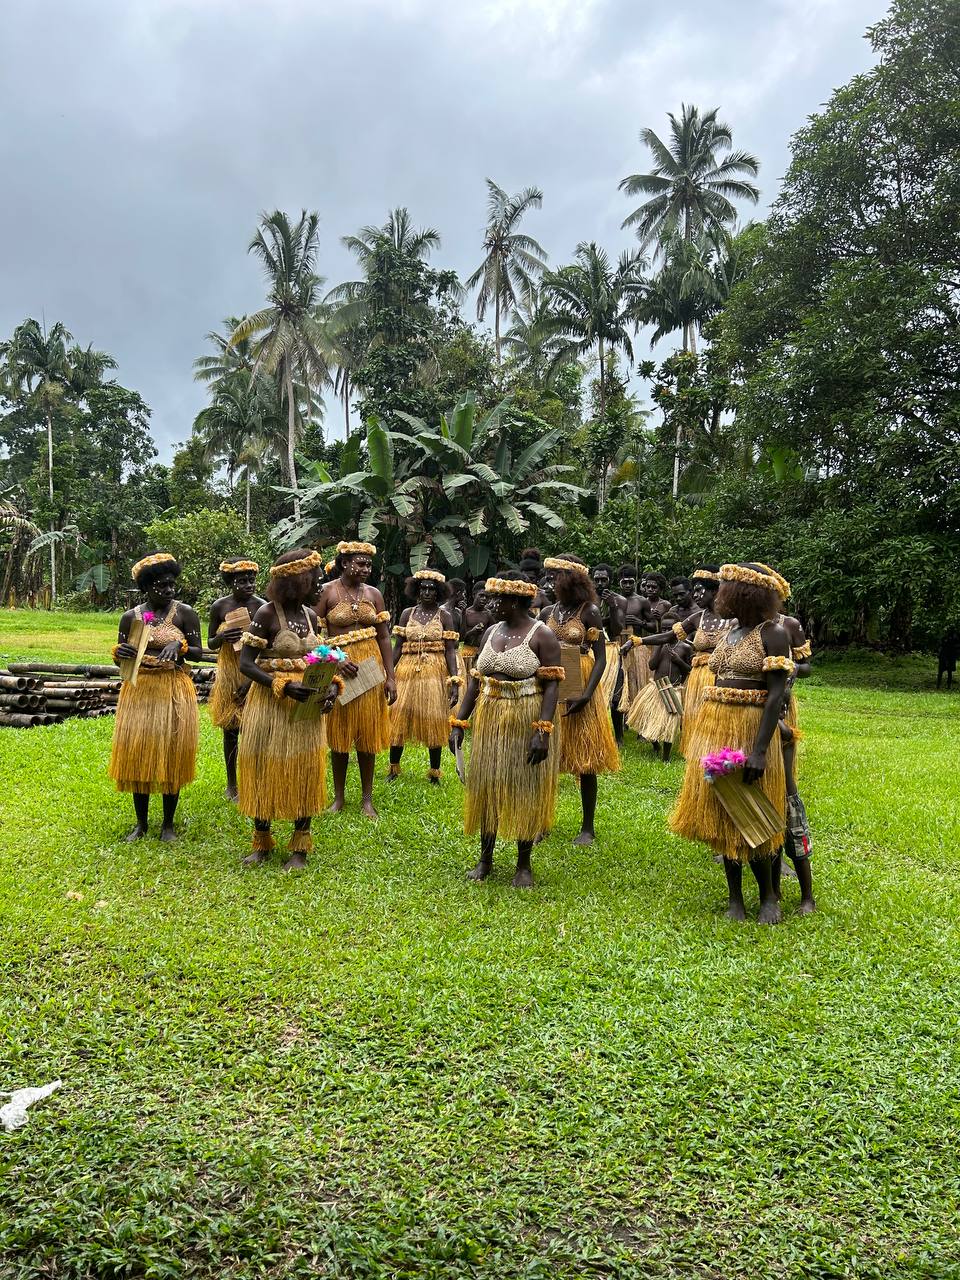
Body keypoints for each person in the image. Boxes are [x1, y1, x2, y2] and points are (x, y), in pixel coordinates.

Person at [669, 563, 794, 925]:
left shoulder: (772, 633)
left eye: (726, 588)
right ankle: (735, 897)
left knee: (757, 808)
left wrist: (759, 750)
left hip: (751, 727)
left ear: (745, 593)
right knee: (724, 811)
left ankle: (770, 895)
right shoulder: (732, 632)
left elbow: (774, 697)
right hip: (717, 726)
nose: (720, 593)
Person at [449, 573, 564, 888]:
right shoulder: (489, 632)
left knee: (523, 785)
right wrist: (460, 721)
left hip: (525, 714)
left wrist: (543, 730)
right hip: (490, 715)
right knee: (487, 784)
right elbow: (475, 681)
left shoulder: (543, 636)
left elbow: (552, 686)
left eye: (497, 600)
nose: (490, 604)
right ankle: (485, 859)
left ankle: (523, 865)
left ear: (514, 602)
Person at [236, 548, 340, 870]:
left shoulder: (312, 617)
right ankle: (262, 841)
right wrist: (281, 685)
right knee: (263, 766)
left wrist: (333, 687)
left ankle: (300, 845)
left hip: (306, 708)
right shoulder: (266, 614)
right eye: (315, 579)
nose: (320, 585)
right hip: (270, 706)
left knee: (306, 768)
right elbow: (245, 664)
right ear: (298, 581)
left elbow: (320, 660)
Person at [108, 553, 203, 842]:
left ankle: (169, 825)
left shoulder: (185, 613)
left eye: (172, 584)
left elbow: (199, 653)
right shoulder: (131, 618)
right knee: (139, 751)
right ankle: (141, 823)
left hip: (173, 687)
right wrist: (119, 653)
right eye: (161, 585)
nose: (168, 590)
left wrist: (180, 643)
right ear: (146, 589)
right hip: (139, 691)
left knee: (171, 752)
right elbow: (123, 660)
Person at [541, 553, 621, 845]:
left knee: (585, 760)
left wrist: (587, 695)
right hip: (550, 683)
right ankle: (542, 819)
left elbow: (600, 658)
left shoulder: (590, 611)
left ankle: (587, 826)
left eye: (555, 576)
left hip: (581, 679)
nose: (550, 581)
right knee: (546, 755)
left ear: (571, 579)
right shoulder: (547, 612)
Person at [314, 540, 396, 820]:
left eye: (368, 564)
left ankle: (367, 799)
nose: (366, 569)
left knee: (367, 732)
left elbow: (384, 636)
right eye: (360, 563)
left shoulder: (374, 594)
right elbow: (314, 638)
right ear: (344, 563)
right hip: (339, 669)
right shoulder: (326, 592)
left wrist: (390, 677)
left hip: (370, 667)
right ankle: (338, 797)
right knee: (340, 733)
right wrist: (337, 658)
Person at [388, 569, 460, 783]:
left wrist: (454, 681)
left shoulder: (445, 616)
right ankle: (393, 767)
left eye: (431, 589)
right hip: (407, 671)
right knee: (399, 716)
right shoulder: (407, 613)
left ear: (438, 592)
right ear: (416, 590)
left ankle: (434, 772)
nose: (427, 592)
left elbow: (450, 650)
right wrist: (388, 674)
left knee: (433, 719)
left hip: (434, 672)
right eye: (423, 588)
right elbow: (398, 647)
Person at [207, 558, 266, 800]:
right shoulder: (220, 607)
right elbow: (209, 643)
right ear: (231, 582)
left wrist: (253, 680)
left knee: (256, 731)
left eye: (251, 580)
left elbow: (269, 645)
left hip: (255, 670)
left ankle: (255, 780)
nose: (248, 585)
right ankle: (232, 784)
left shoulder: (263, 606)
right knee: (231, 730)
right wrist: (222, 637)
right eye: (242, 581)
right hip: (230, 671)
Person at [591, 563, 627, 744]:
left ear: (610, 580)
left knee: (615, 695)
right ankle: (595, 731)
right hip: (591, 649)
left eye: (603, 579)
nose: (600, 583)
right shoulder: (587, 600)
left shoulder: (620, 600)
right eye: (596, 579)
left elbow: (617, 628)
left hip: (611, 649)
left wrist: (612, 607)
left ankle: (619, 736)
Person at [617, 564, 654, 708]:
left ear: (636, 582)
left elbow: (653, 627)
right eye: (624, 582)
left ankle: (638, 719)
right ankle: (621, 720)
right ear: (619, 582)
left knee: (638, 684)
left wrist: (641, 622)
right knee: (619, 686)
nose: (627, 585)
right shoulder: (613, 600)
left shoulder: (642, 601)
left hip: (637, 649)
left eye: (630, 582)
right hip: (617, 647)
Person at [460, 585, 494, 673]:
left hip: (482, 653)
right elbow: (461, 638)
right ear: (474, 595)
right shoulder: (466, 613)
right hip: (466, 652)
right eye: (481, 595)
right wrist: (472, 632)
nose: (484, 599)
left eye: (486, 597)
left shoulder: (488, 614)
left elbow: (493, 636)